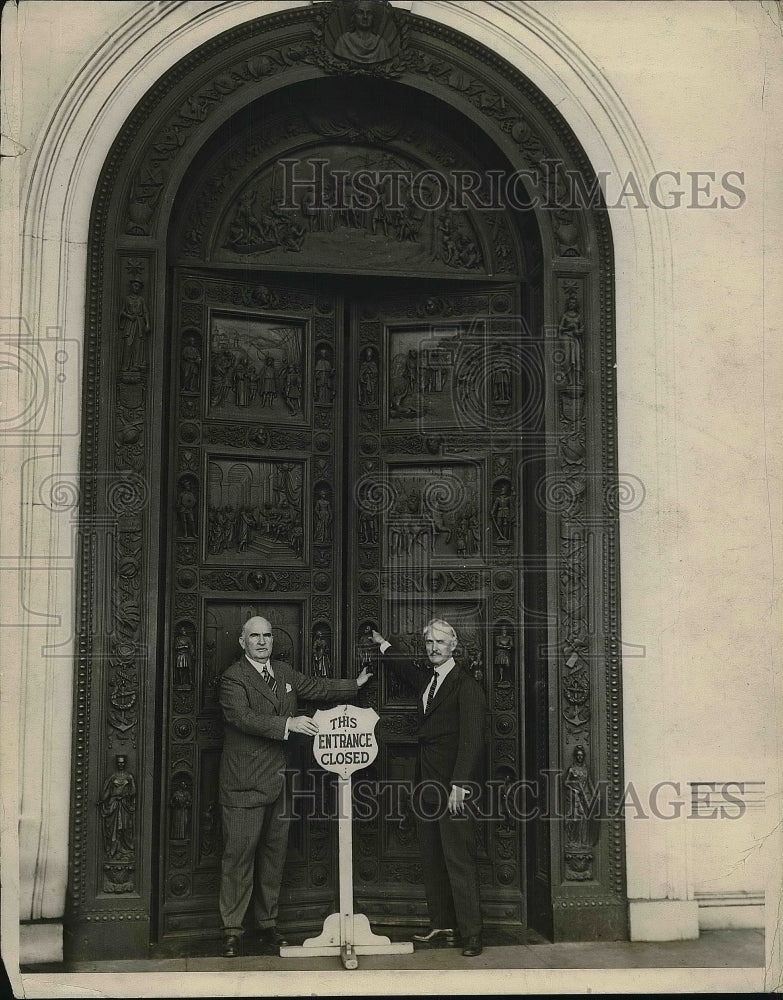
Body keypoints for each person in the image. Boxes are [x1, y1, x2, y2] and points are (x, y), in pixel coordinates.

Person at [218, 616, 373, 957]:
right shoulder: (233, 678)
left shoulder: (284, 672)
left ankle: (268, 924)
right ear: (242, 642)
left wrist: (354, 685)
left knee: (274, 857)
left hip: (281, 782)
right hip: (244, 784)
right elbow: (242, 718)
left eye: (267, 636)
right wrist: (288, 723)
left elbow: (316, 687)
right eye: (255, 637)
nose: (262, 642)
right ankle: (232, 930)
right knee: (239, 857)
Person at [370, 619, 487, 957]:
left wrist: (460, 786)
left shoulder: (465, 685)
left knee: (458, 858)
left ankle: (472, 934)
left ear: (454, 646)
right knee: (433, 856)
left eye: (440, 642)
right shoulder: (428, 678)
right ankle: (444, 926)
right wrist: (383, 645)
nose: (433, 648)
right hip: (427, 786)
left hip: (453, 786)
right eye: (429, 642)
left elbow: (472, 740)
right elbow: (406, 669)